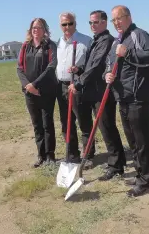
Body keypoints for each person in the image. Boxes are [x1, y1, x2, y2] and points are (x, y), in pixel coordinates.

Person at [104, 5, 149, 197]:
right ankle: (140, 174)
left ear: (128, 17)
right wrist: (107, 75)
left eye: (120, 18)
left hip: (139, 97)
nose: (117, 23)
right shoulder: (116, 41)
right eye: (114, 20)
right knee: (133, 141)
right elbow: (109, 64)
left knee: (142, 141)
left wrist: (127, 53)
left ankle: (145, 181)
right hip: (123, 98)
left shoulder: (139, 35)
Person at [68, 10, 127, 173]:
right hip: (93, 91)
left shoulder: (106, 40)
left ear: (104, 22)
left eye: (95, 22)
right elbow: (90, 65)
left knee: (107, 127)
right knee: (105, 127)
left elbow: (96, 66)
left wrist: (78, 84)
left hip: (103, 91)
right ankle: (118, 159)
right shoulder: (96, 41)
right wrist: (79, 69)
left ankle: (116, 164)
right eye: (90, 23)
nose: (92, 25)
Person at [17, 18, 58, 167]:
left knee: (47, 124)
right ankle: (41, 155)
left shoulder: (50, 45)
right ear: (30, 29)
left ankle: (50, 155)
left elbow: (51, 67)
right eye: (34, 27)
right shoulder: (25, 46)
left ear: (44, 29)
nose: (36, 30)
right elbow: (19, 68)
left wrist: (35, 84)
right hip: (30, 92)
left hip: (46, 91)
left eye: (39, 27)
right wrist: (28, 85)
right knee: (37, 125)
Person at [56, 12, 93, 163]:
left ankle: (88, 155)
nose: (67, 27)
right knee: (66, 122)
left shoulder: (85, 41)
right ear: (60, 26)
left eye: (70, 23)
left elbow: (92, 66)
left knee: (83, 121)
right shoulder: (58, 42)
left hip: (78, 86)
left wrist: (79, 69)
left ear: (75, 24)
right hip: (62, 86)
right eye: (64, 24)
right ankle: (72, 154)